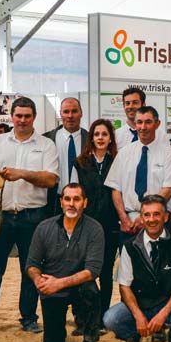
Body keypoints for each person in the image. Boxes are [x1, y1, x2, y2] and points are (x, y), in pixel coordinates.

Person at [0, 96, 59, 338]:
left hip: (33, 217)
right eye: (18, 115)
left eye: (27, 116)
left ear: (34, 118)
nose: (22, 120)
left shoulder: (46, 146)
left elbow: (52, 180)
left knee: (31, 270)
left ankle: (28, 317)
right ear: (11, 116)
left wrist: (23, 174)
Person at [102, 194, 171, 342]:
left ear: (165, 217)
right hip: (141, 304)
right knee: (110, 319)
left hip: (168, 305)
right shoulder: (129, 246)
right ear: (141, 219)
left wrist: (162, 315)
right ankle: (133, 335)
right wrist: (138, 316)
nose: (152, 219)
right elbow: (124, 286)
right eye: (147, 215)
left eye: (157, 214)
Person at [27, 183, 106, 342]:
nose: (71, 204)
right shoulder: (44, 227)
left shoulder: (95, 229)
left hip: (79, 287)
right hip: (52, 289)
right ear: (61, 202)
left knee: (91, 290)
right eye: (67, 199)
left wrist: (60, 283)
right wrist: (38, 280)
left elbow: (92, 271)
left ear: (85, 203)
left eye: (76, 199)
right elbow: (32, 264)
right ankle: (64, 325)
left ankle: (89, 339)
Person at [105, 106, 171, 238]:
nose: (143, 127)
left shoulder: (167, 154)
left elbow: (168, 190)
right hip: (129, 224)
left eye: (148, 122)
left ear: (157, 124)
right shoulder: (124, 153)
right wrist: (123, 218)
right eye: (139, 122)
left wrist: (145, 217)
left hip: (156, 221)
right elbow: (116, 189)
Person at [75, 119, 121, 312]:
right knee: (83, 270)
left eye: (104, 134)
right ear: (91, 138)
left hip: (110, 226)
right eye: (96, 134)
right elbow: (74, 193)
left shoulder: (118, 161)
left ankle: (103, 315)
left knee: (106, 271)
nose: (100, 138)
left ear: (110, 138)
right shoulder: (80, 163)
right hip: (86, 225)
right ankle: (83, 314)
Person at [44, 97, 87, 214]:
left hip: (82, 203)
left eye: (74, 111)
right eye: (66, 111)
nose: (70, 116)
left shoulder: (90, 140)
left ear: (81, 113)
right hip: (54, 202)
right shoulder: (47, 139)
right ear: (60, 114)